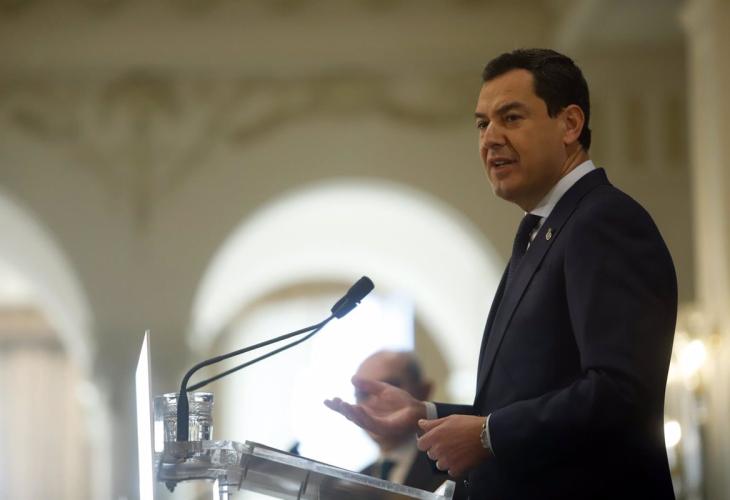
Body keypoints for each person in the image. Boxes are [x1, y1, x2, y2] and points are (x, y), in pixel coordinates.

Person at [325, 48, 678, 499]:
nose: (490, 138)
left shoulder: (602, 220)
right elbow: (518, 403)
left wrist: (488, 433)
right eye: (482, 124)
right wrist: (425, 415)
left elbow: (621, 393)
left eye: (511, 118)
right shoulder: (542, 230)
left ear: (570, 124)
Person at [354, 350, 464, 497]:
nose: (374, 402)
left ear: (424, 391)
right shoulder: (354, 484)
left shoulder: (456, 466)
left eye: (388, 387)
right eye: (363, 394)